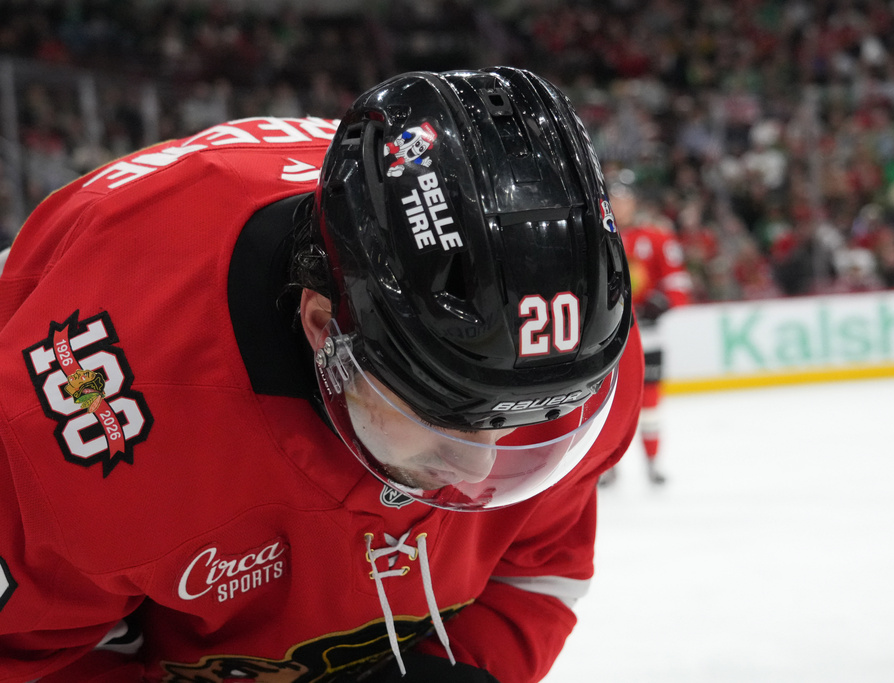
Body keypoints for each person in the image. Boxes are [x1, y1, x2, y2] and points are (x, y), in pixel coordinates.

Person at [0, 67, 642, 683]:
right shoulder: (88, 422)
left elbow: (539, 568)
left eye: (528, 420)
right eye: (444, 412)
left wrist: (469, 669)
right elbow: (24, 656)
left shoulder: (565, 347)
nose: (480, 470)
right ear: (322, 325)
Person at [601, 178, 689, 486]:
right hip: (606, 337)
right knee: (606, 402)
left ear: (635, 202)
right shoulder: (597, 237)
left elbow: (678, 283)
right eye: (615, 199)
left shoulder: (656, 237)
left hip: (647, 334)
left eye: (625, 199)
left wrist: (662, 302)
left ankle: (652, 462)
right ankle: (606, 466)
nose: (621, 205)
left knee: (649, 401)